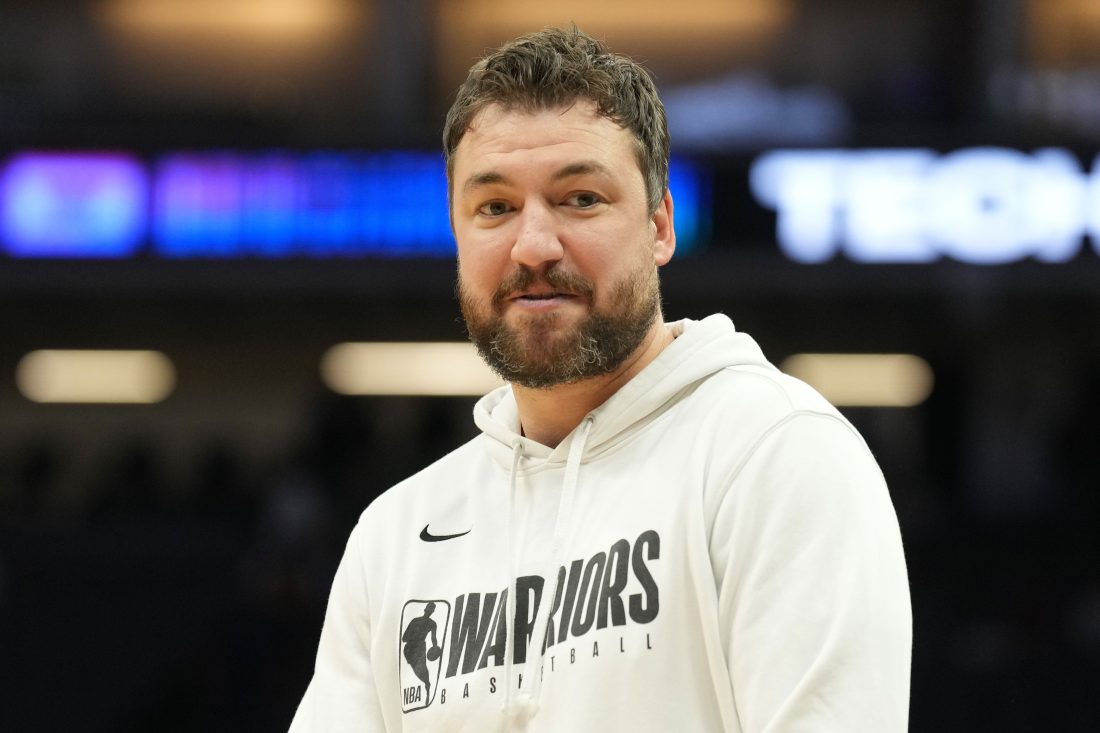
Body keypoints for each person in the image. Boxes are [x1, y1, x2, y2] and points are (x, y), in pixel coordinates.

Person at [290, 26, 911, 732]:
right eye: (495, 208)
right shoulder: (395, 535)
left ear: (659, 226)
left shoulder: (775, 454)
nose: (533, 246)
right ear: (458, 235)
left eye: (580, 198)